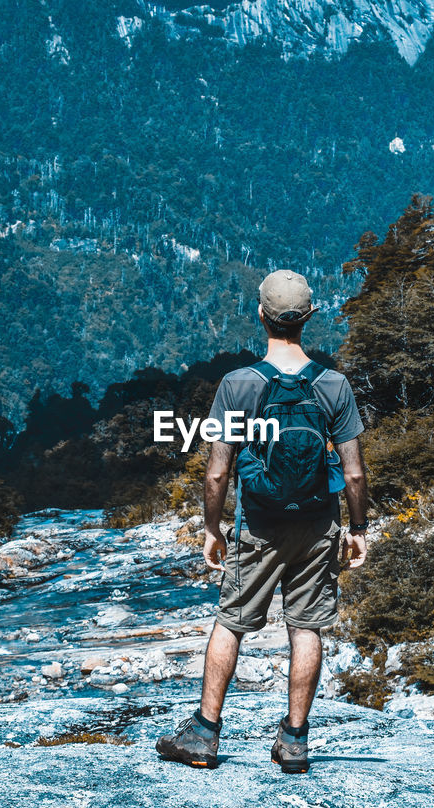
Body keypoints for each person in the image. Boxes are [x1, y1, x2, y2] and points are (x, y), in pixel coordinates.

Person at [156, 269, 369, 774]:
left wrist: (212, 529)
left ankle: (205, 735)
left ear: (261, 315)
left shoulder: (239, 385)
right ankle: (294, 741)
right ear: (310, 317)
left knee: (231, 621)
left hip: (258, 525)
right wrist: (358, 530)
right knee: (307, 627)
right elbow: (355, 472)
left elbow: (217, 472)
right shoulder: (334, 385)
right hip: (319, 526)